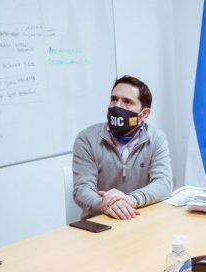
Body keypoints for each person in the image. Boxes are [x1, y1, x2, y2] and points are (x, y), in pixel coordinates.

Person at [72, 75, 173, 220]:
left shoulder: (156, 138)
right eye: (114, 99)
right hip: (100, 222)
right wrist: (105, 204)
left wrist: (132, 200)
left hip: (141, 219)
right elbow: (82, 190)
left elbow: (163, 184)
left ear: (144, 114)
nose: (117, 106)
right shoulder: (87, 139)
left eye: (127, 102)